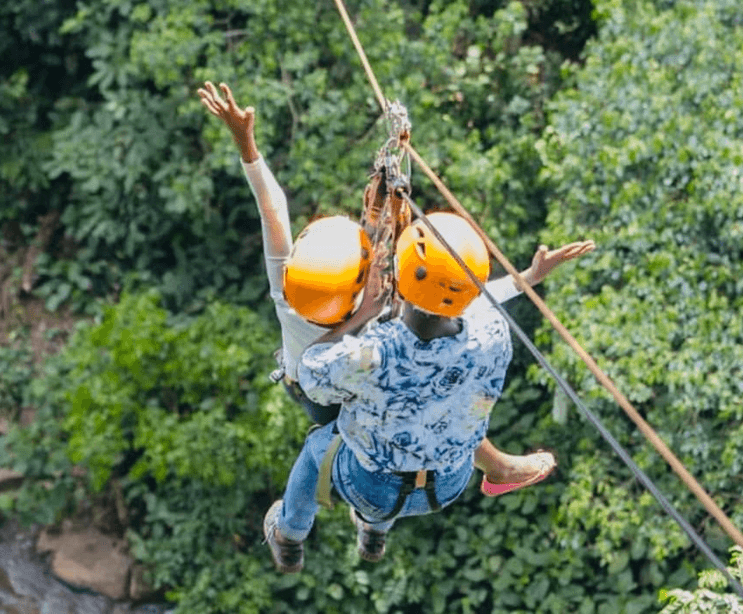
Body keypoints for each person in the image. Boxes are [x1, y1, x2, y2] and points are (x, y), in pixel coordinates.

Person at [196, 80, 594, 424]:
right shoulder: (377, 314)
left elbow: (272, 211)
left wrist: (245, 142)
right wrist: (527, 279)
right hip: (323, 397)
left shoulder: (291, 292)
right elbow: (461, 304)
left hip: (309, 379)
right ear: (356, 290)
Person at [262, 212, 593, 573]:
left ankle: (288, 535)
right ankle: (374, 533)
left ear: (400, 276)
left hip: (373, 491)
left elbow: (309, 371)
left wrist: (365, 313)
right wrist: (529, 278)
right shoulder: (492, 335)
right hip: (448, 484)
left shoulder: (373, 354)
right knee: (428, 419)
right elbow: (476, 302)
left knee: (320, 444)